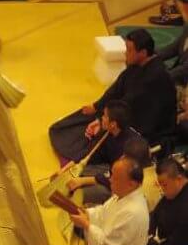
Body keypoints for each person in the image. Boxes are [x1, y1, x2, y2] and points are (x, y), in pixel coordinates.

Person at [50, 29, 177, 161]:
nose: (125, 53)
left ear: (143, 53)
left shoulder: (156, 78)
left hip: (146, 128)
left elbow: (130, 105)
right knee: (76, 122)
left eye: (129, 50)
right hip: (125, 111)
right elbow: (117, 87)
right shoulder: (138, 63)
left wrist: (103, 120)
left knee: (96, 143)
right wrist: (97, 106)